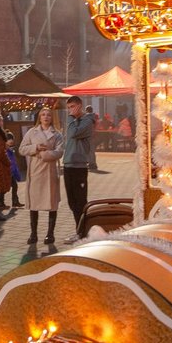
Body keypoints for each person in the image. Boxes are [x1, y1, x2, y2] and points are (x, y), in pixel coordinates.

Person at [19, 107, 64, 244]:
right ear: (39, 117)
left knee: (52, 203)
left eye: (49, 115)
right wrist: (36, 148)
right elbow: (21, 149)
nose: (46, 117)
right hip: (35, 171)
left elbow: (60, 152)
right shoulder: (32, 132)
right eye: (43, 114)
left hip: (50, 171)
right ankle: (33, 234)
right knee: (34, 204)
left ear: (52, 118)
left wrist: (45, 155)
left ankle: (50, 234)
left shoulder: (57, 134)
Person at [62, 95, 94, 241]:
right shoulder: (73, 121)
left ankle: (83, 233)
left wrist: (70, 118)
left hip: (79, 166)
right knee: (72, 202)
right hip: (68, 164)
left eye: (72, 107)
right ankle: (80, 232)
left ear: (80, 106)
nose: (70, 110)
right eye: (68, 108)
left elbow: (73, 133)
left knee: (80, 201)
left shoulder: (87, 121)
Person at [5, 131, 25, 208]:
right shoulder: (5, 150)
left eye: (12, 139)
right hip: (7, 172)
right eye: (9, 139)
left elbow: (14, 163)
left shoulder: (12, 150)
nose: (11, 141)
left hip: (12, 172)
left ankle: (15, 201)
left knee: (15, 186)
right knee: (3, 189)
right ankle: (0, 202)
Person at [84, 105, 99, 171]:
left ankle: (90, 163)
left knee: (87, 150)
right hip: (93, 135)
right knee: (92, 150)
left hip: (87, 135)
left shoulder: (86, 117)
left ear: (87, 110)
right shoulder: (94, 117)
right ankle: (93, 164)